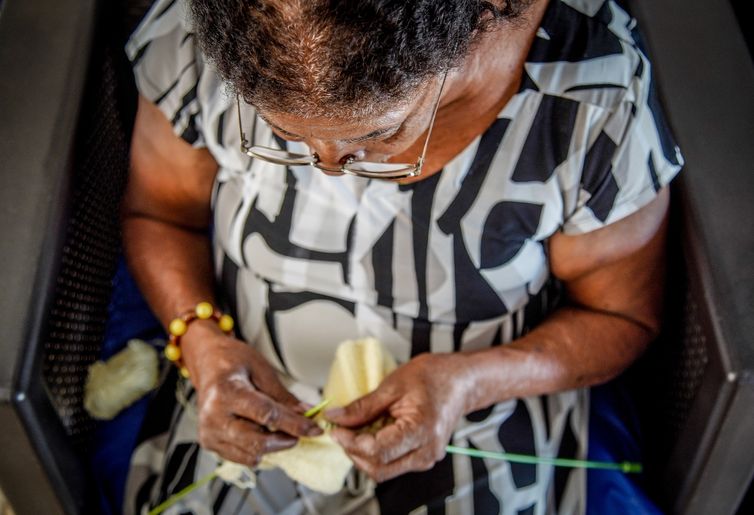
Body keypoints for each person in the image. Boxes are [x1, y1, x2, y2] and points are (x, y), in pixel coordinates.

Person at [121, 0, 683, 513]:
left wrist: (467, 382)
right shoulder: (198, 37)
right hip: (241, 392)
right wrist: (200, 339)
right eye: (281, 131)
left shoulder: (590, 106)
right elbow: (161, 215)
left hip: (475, 416)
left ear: (476, 25)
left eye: (378, 134)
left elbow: (620, 315)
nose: (329, 167)